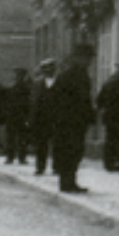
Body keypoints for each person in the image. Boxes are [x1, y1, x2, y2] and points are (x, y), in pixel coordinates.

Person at [53, 41, 95, 194]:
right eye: (86, 58)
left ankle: (70, 181)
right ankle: (66, 182)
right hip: (68, 121)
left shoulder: (82, 75)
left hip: (77, 121)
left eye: (90, 58)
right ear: (77, 58)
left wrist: (88, 116)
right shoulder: (68, 76)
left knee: (76, 151)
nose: (89, 61)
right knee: (68, 150)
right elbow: (60, 100)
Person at [30, 58, 59, 176]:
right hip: (42, 119)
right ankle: (40, 167)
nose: (48, 70)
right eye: (45, 68)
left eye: (51, 67)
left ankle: (57, 167)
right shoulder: (37, 83)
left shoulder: (60, 81)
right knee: (41, 144)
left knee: (57, 143)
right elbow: (33, 102)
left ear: (54, 69)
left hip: (56, 118)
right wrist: (32, 119)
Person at [3, 67, 32, 165]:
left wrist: (28, 116)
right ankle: (10, 157)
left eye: (20, 75)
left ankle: (22, 157)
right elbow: (6, 102)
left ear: (23, 77)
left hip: (22, 116)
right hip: (12, 116)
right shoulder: (11, 88)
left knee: (22, 138)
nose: (18, 77)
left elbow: (29, 103)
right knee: (10, 137)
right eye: (17, 75)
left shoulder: (27, 89)